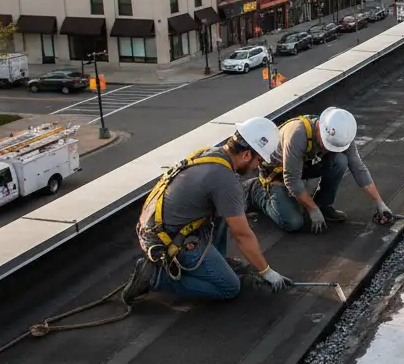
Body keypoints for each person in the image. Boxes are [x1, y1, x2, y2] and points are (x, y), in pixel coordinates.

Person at [122, 117, 292, 303]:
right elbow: (242, 234)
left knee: (229, 209)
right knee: (229, 287)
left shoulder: (211, 154)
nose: (257, 166)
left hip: (156, 226)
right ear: (246, 155)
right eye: (258, 159)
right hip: (168, 240)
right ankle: (156, 277)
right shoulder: (225, 180)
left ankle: (216, 261)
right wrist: (266, 271)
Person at [247, 107, 394, 232]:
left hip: (301, 167)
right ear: (320, 129)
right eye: (326, 144)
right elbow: (291, 179)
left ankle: (324, 204)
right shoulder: (297, 134)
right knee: (293, 223)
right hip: (277, 174)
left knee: (340, 160)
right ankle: (255, 191)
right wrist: (312, 209)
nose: (328, 149)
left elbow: (358, 168)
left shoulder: (342, 134)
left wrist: (379, 203)